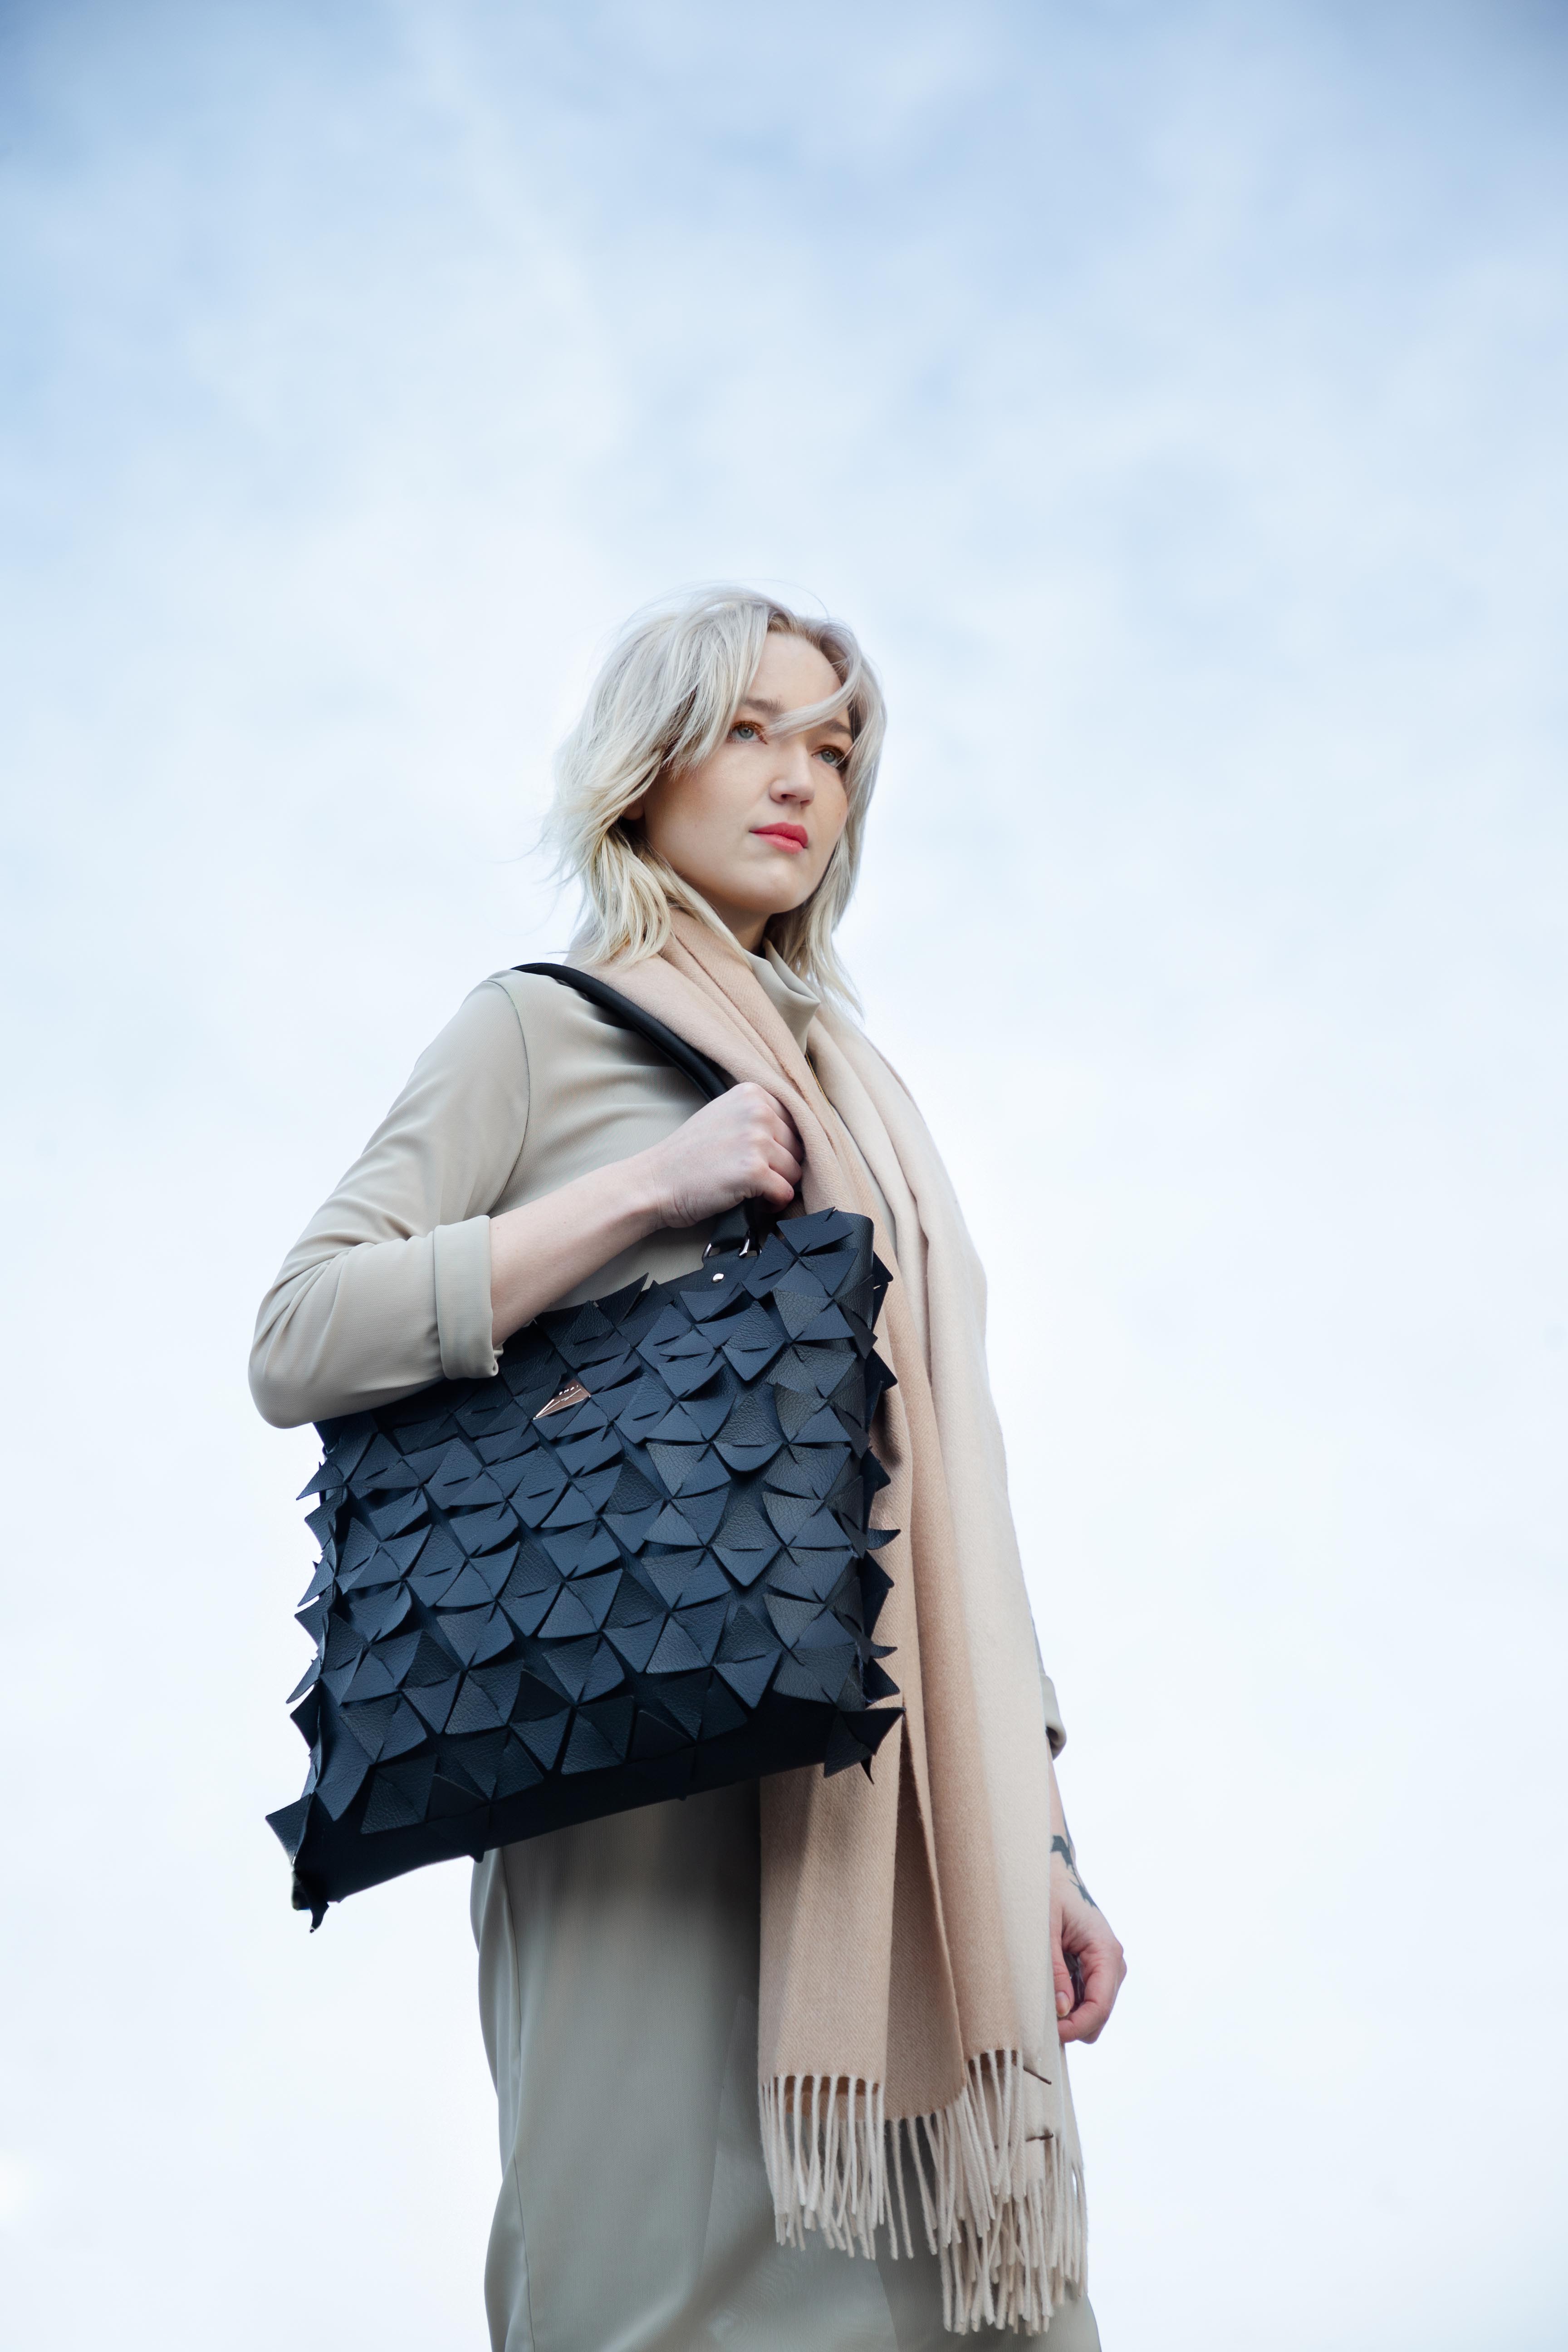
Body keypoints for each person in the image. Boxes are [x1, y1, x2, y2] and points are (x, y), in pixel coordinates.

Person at [250, 588, 1126, 2351]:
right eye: (750, 729)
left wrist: (1042, 1835)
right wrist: (648, 1190)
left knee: (961, 2304)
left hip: (894, 1793)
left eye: (837, 748)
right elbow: (302, 1335)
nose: (802, 778)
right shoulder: (539, 1028)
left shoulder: (862, 1091)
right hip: (637, 1770)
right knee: (648, 2288)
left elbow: (947, 1481)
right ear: (646, 767)